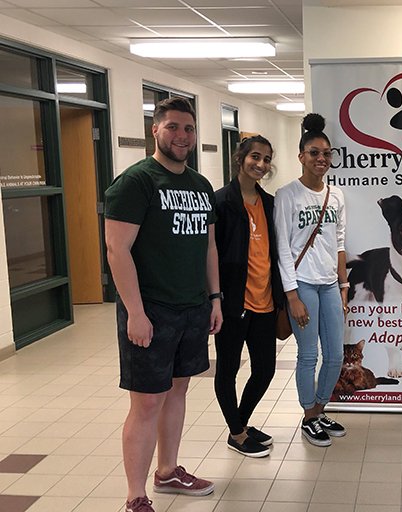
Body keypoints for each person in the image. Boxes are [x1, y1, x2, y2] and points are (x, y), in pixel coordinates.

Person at [105, 97, 222, 512]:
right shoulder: (135, 182)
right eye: (173, 127)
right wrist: (135, 313)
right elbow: (117, 250)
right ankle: (136, 496)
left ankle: (168, 471)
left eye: (188, 129)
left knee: (178, 390)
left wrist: (214, 298)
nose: (182, 136)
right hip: (151, 309)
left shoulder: (200, 185)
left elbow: (208, 245)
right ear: (154, 130)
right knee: (147, 401)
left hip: (192, 307)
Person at [274, 113, 348, 447]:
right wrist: (292, 296)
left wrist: (344, 287)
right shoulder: (287, 194)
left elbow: (340, 242)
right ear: (301, 156)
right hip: (301, 284)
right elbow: (283, 249)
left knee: (335, 356)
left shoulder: (337, 195)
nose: (321, 159)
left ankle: (320, 408)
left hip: (330, 284)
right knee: (308, 355)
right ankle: (308, 416)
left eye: (326, 153)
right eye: (314, 153)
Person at [213, 135, 284, 458]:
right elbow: (210, 255)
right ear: (240, 158)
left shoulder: (269, 204)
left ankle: (239, 424)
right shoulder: (221, 203)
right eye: (255, 157)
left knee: (265, 369)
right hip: (233, 303)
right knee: (227, 370)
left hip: (266, 302)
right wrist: (215, 298)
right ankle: (238, 433)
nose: (261, 164)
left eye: (267, 159)